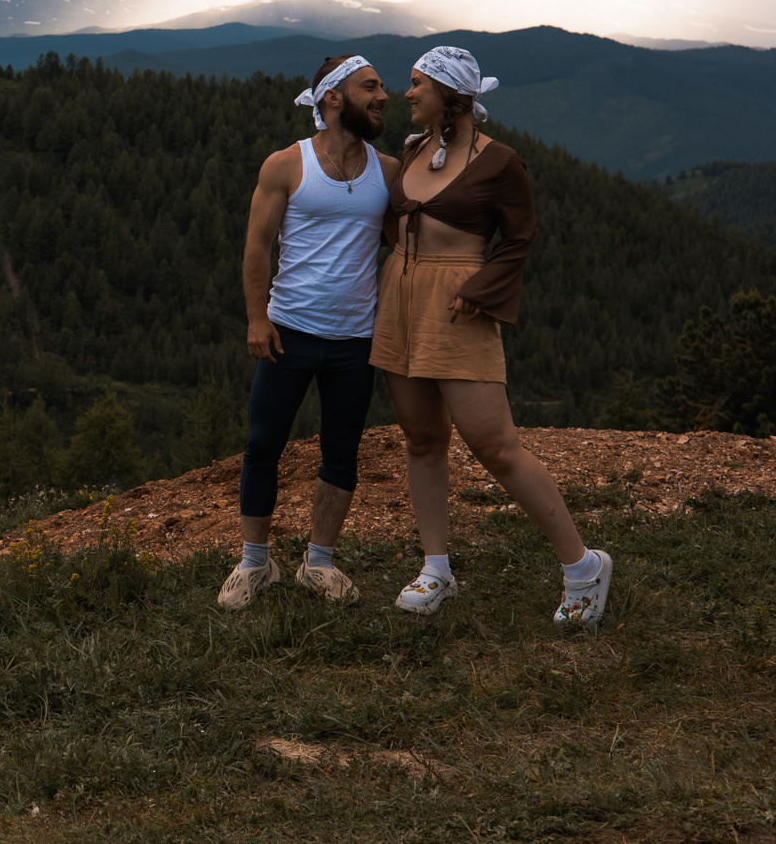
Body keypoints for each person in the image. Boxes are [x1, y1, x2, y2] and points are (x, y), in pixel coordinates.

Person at [370, 46, 613, 626]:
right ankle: (436, 569)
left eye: (417, 83)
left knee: (496, 446)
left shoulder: (499, 162)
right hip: (398, 300)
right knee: (421, 439)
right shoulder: (415, 149)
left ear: (450, 95)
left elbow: (520, 238)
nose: (407, 93)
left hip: (457, 306)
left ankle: (584, 566)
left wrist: (480, 289)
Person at [219, 54, 396, 611]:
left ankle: (318, 563)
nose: (383, 96)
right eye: (370, 86)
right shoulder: (286, 165)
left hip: (356, 339)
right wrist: (257, 317)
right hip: (288, 331)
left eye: (383, 86)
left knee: (341, 451)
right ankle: (255, 563)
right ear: (333, 98)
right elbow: (257, 245)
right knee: (263, 445)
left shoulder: (389, 171)